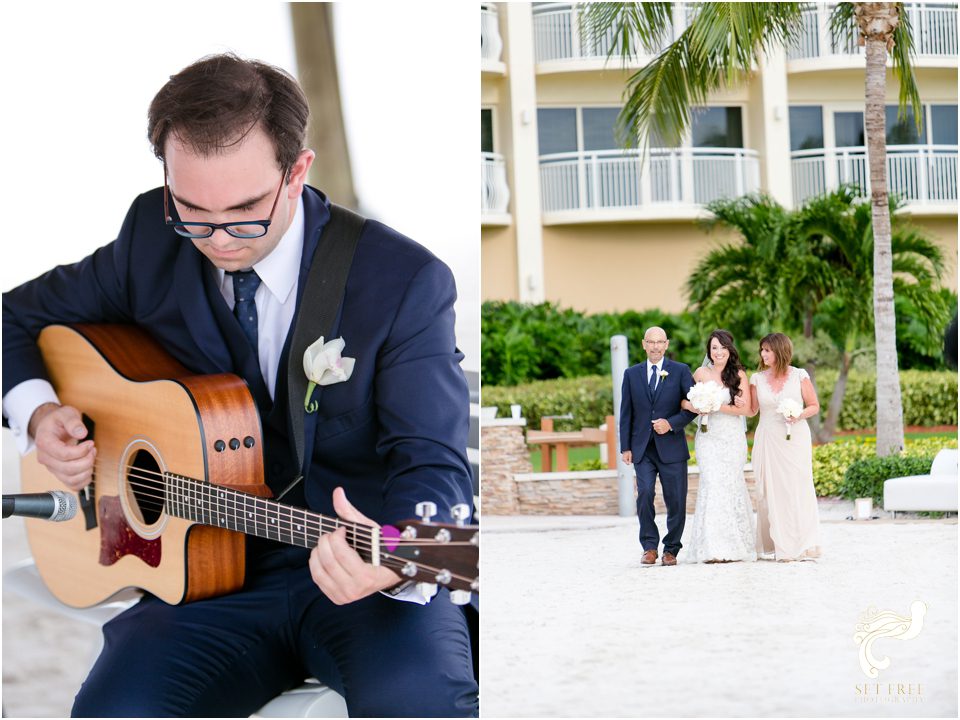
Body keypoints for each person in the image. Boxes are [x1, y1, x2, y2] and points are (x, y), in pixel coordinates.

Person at [2, 54, 477, 717]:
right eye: (191, 209)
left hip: (363, 581)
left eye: (246, 211)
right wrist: (39, 413)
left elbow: (434, 464)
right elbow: (14, 316)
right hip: (203, 583)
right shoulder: (152, 239)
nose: (219, 238)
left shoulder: (401, 282)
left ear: (297, 171)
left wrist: (398, 556)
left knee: (423, 705)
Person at [619, 326, 697, 566]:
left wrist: (671, 424)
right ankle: (649, 546)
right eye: (651, 342)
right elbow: (626, 413)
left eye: (660, 342)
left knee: (676, 500)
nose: (655, 346)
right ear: (644, 344)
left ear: (667, 344)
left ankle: (671, 549)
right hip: (642, 449)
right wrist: (626, 447)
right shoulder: (631, 374)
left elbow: (694, 407)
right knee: (644, 495)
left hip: (671, 448)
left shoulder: (681, 371)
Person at [681, 330, 756, 563]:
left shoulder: (739, 375)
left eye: (723, 347)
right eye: (714, 348)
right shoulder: (701, 373)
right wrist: (698, 406)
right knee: (712, 484)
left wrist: (716, 405)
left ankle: (734, 546)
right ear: (709, 351)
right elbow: (683, 401)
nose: (719, 352)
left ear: (730, 349)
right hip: (708, 437)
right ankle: (711, 547)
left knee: (730, 485)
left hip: (732, 438)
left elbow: (746, 410)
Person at [747, 332, 822, 562]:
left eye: (767, 350)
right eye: (762, 350)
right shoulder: (756, 379)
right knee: (771, 491)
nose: (763, 354)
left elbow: (814, 406)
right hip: (768, 438)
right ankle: (781, 546)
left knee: (796, 488)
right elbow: (752, 411)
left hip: (795, 438)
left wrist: (798, 415)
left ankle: (801, 544)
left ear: (780, 351)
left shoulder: (799, 376)